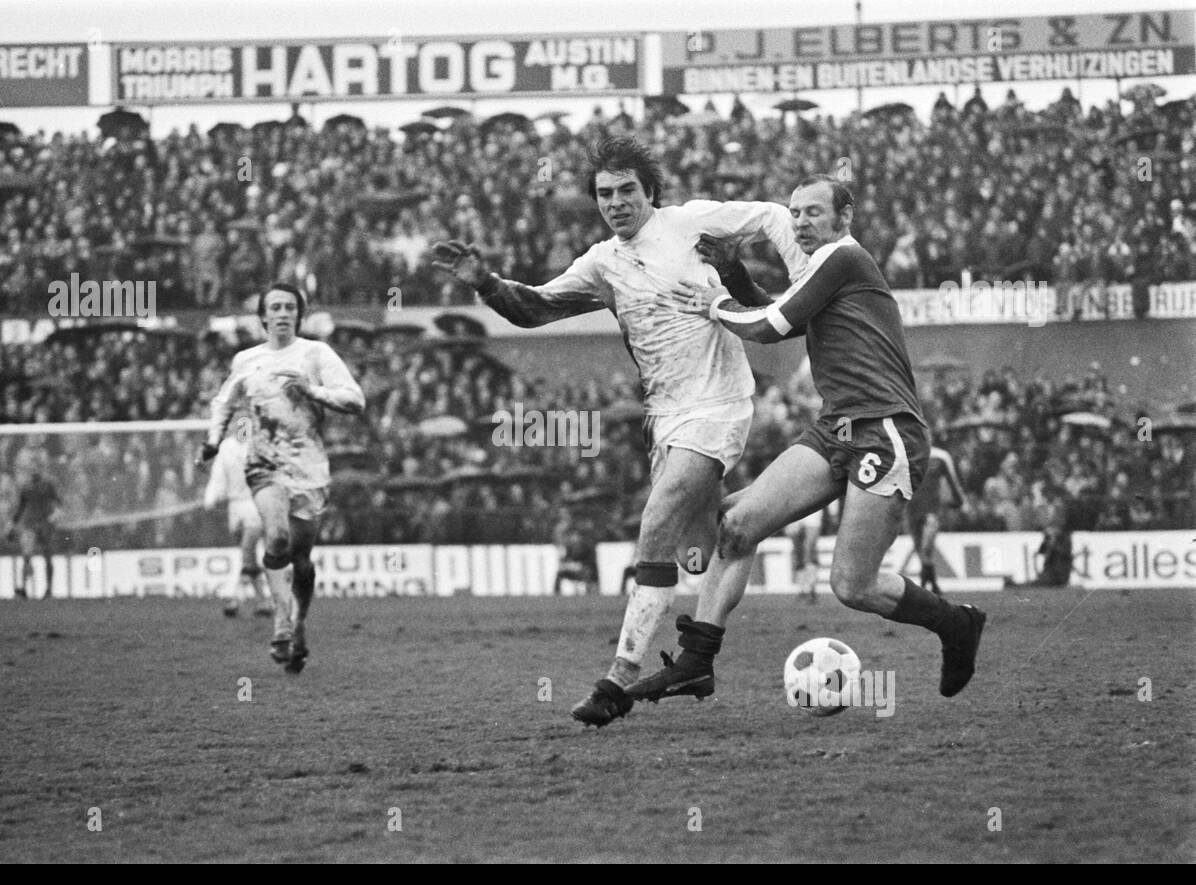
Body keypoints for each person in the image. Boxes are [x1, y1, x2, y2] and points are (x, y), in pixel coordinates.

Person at [431, 136, 804, 726]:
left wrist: (801, 278)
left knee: (654, 524)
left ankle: (618, 680)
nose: (616, 202)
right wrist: (486, 283)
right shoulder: (602, 262)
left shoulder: (691, 223)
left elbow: (776, 215)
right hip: (665, 415)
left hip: (719, 404)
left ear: (650, 191)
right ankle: (700, 659)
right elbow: (536, 309)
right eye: (604, 194)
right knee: (722, 539)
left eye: (627, 189)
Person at [627, 174, 986, 706]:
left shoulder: (844, 258)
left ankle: (956, 624)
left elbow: (772, 325)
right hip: (836, 427)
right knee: (736, 524)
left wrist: (715, 301)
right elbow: (788, 317)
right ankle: (695, 661)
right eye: (793, 213)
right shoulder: (823, 267)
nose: (799, 222)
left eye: (813, 212)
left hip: (884, 431)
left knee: (852, 585)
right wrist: (731, 269)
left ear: (845, 217)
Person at [198, 283, 365, 673]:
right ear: (263, 317)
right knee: (276, 538)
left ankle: (299, 623)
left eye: (290, 306)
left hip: (308, 467)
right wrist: (211, 441)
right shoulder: (247, 360)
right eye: (275, 307)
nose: (283, 313)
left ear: (299, 315)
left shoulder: (316, 353)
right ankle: (282, 622)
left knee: (303, 562)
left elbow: (355, 399)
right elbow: (224, 402)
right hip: (264, 464)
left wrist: (312, 392)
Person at [203, 429, 275, 618]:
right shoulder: (227, 446)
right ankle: (263, 602)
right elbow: (218, 477)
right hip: (234, 507)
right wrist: (210, 498)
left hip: (255, 503)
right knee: (248, 556)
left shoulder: (261, 446)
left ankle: (235, 599)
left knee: (247, 550)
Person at [906, 445, 968, 594]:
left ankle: (924, 583)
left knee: (926, 546)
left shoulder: (940, 456)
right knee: (921, 549)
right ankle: (933, 585)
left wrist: (961, 501)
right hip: (910, 509)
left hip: (931, 510)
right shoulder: (904, 453)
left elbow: (953, 480)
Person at [9, 470, 60, 599]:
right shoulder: (26, 486)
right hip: (30, 525)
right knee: (27, 557)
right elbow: (21, 508)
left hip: (43, 524)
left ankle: (48, 589)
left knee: (46, 556)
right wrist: (13, 526)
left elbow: (58, 503)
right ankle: (25, 588)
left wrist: (51, 520)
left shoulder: (48, 485)